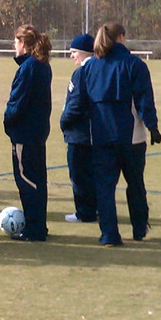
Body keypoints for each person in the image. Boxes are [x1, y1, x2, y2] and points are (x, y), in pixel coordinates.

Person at [61, 22, 160, 245]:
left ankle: (109, 234)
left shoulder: (90, 67)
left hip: (101, 136)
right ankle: (138, 230)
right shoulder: (134, 65)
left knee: (104, 188)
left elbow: (77, 102)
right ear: (121, 38)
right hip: (132, 137)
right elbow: (144, 99)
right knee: (135, 185)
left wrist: (64, 122)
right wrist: (152, 126)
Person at [4, 24, 53, 242]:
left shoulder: (29, 68)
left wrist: (8, 121)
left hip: (25, 133)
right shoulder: (42, 65)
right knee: (38, 179)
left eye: (16, 42)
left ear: (23, 43)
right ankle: (39, 225)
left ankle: (34, 229)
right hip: (38, 131)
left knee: (27, 180)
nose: (14, 47)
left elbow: (18, 103)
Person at [61, 33, 97, 224]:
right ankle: (93, 208)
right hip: (93, 133)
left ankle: (85, 212)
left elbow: (76, 104)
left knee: (79, 174)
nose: (71, 56)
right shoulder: (98, 68)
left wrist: (64, 121)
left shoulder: (82, 72)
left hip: (80, 134)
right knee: (91, 174)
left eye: (74, 52)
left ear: (83, 52)